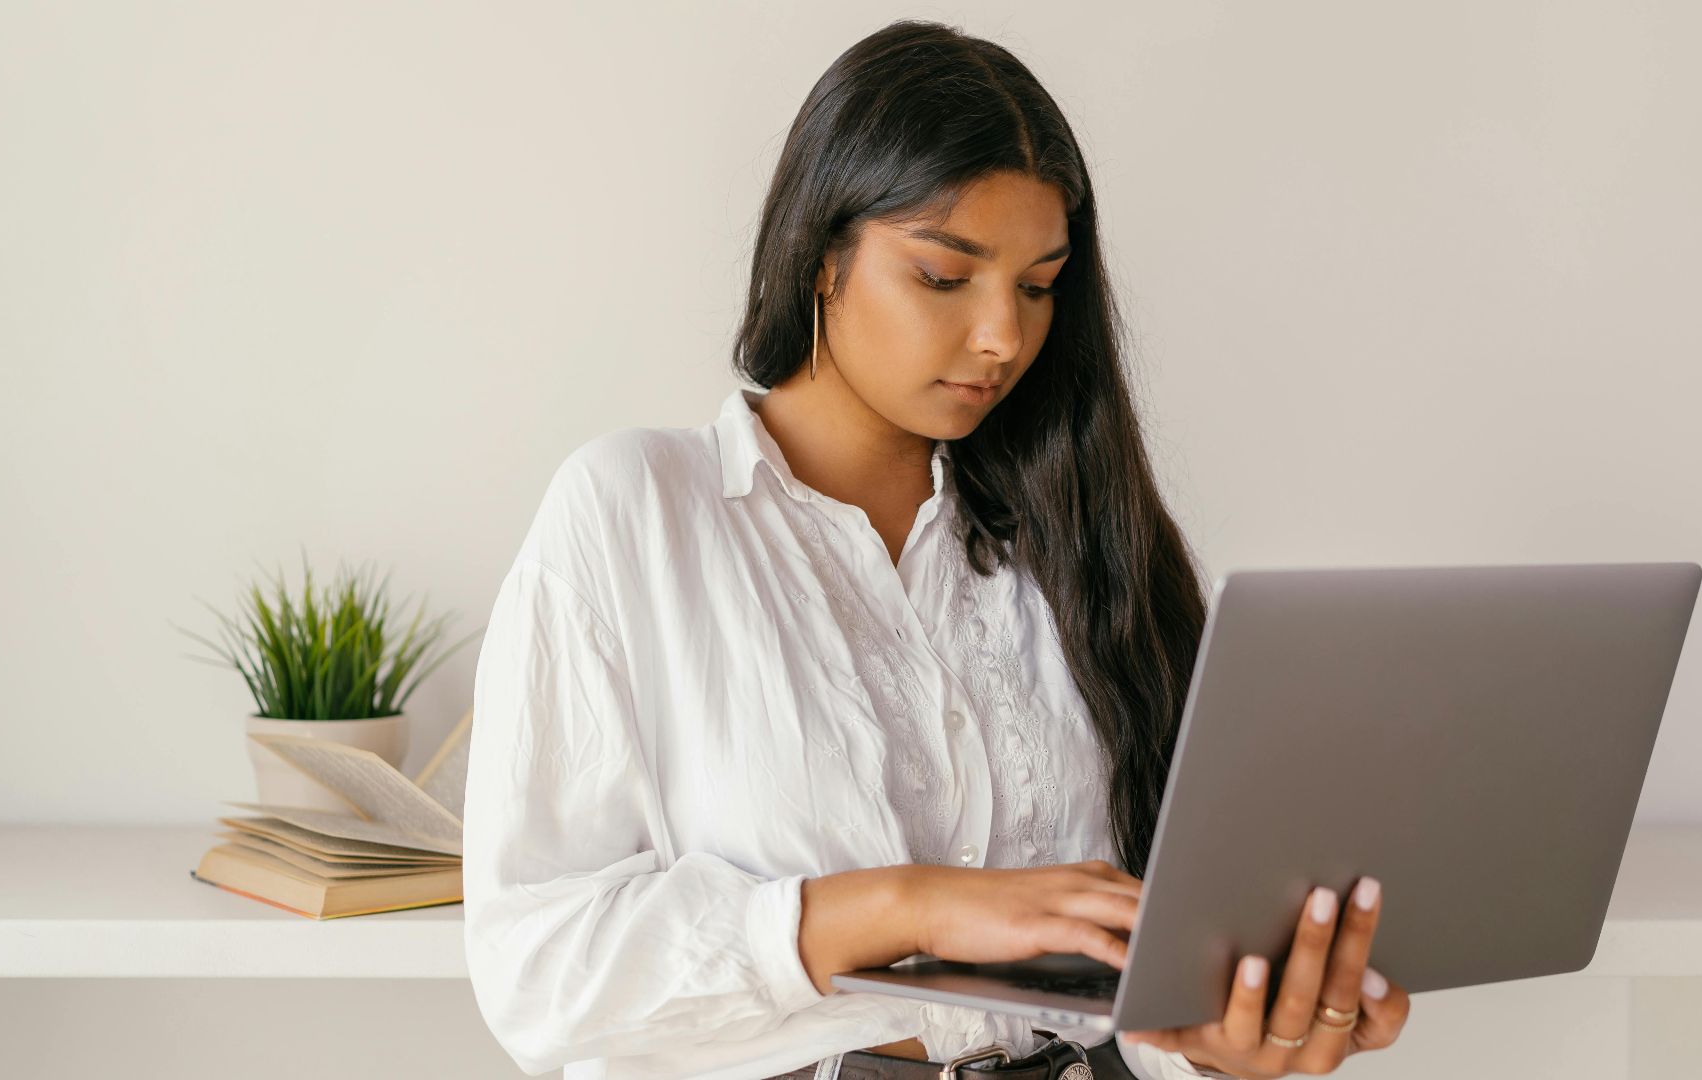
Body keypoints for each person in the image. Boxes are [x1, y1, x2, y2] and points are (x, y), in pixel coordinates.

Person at [463, 18, 1411, 1080]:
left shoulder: (1082, 539)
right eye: (946, 277)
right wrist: (910, 904)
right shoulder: (634, 513)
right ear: (823, 256)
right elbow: (534, 973)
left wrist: (1233, 1041)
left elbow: (1141, 969)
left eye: (1040, 285)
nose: (1004, 334)